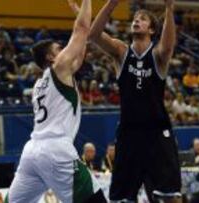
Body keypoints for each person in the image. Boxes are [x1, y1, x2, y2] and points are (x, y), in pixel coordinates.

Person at [68, 0, 182, 202]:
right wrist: (112, 3)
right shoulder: (121, 52)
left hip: (157, 131)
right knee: (122, 197)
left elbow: (168, 46)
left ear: (152, 29)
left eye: (143, 19)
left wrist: (169, 8)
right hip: (129, 133)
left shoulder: (157, 55)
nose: (136, 21)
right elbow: (93, 35)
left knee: (169, 196)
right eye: (135, 19)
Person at [7, 1, 106, 202]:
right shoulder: (59, 67)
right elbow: (81, 29)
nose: (64, 50)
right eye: (59, 48)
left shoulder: (40, 83)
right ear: (52, 57)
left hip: (32, 152)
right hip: (56, 150)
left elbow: (80, 50)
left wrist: (79, 12)